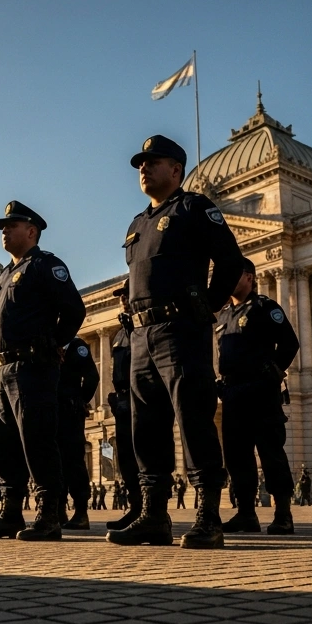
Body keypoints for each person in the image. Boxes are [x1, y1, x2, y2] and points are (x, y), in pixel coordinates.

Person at [111, 135, 244, 549]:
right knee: (146, 428)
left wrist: (208, 306)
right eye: (140, 164)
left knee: (194, 420)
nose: (144, 169)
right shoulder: (137, 225)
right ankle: (154, 515)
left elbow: (230, 261)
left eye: (154, 162)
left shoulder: (195, 208)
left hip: (180, 330)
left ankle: (208, 516)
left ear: (177, 170)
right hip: (141, 336)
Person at [0, 203, 86, 540]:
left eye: (11, 225)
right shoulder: (5, 275)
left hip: (32, 366)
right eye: (2, 227)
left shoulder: (45, 265)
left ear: (32, 231)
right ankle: (11, 512)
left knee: (37, 440)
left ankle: (48, 513)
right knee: (3, 444)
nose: (4, 232)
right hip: (1, 368)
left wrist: (55, 344)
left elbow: (74, 310)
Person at [216, 257, 300, 535]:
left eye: (233, 274)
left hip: (261, 391)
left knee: (271, 452)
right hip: (232, 393)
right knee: (237, 456)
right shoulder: (224, 315)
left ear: (249, 277)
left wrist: (273, 371)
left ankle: (283, 513)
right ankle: (246, 513)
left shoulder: (266, 308)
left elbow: (289, 343)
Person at [105, 282, 144, 531]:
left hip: (140, 398)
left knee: (143, 455)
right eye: (121, 297)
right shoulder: (120, 332)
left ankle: (148, 509)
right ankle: (135, 508)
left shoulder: (143, 327)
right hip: (121, 401)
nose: (123, 300)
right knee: (127, 459)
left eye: (127, 295)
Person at [58, 335, 98, 530]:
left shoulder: (76, 345)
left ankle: (81, 511)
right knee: (53, 461)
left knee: (73, 461)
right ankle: (57, 510)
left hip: (70, 410)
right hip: (50, 411)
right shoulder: (48, 343)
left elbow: (92, 376)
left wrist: (82, 399)